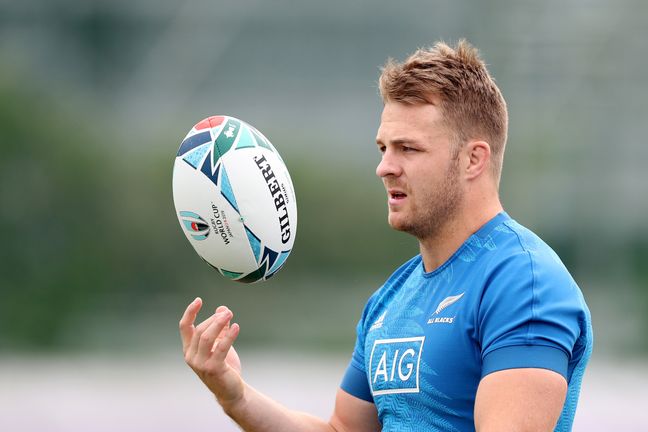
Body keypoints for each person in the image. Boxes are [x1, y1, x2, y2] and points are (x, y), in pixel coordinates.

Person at [179, 40, 592, 432]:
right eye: (383, 149)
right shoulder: (392, 299)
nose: (385, 167)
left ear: (473, 160)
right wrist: (234, 396)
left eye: (408, 149)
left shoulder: (524, 283)